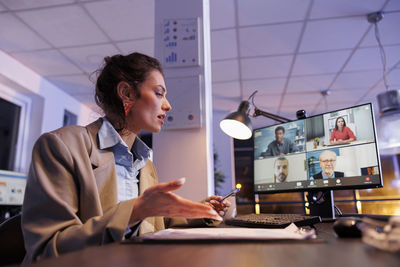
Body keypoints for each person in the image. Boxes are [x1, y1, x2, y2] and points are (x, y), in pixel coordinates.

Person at [21, 53, 229, 263]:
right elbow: (47, 251)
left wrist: (202, 211)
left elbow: (156, 223)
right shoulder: (61, 146)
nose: (168, 105)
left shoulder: (145, 164)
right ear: (126, 93)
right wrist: (135, 211)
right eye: (159, 93)